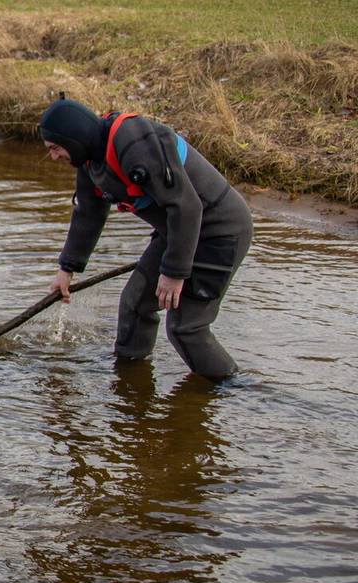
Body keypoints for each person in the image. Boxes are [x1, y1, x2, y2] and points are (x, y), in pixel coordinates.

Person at [39, 97, 253, 381]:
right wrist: (66, 269)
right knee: (135, 303)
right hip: (177, 233)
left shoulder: (133, 142)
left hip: (218, 233)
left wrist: (174, 273)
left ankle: (235, 388)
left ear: (74, 136)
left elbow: (187, 207)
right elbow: (88, 214)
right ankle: (130, 381)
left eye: (55, 148)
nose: (54, 157)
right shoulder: (90, 161)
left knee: (185, 328)